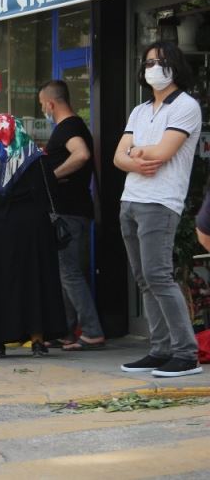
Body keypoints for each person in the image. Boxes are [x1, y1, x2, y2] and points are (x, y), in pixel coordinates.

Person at [114, 41, 203, 378]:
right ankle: (160, 349)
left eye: (161, 61)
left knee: (158, 276)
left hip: (161, 201)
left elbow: (164, 152)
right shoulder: (139, 111)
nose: (154, 67)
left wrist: (134, 153)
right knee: (144, 279)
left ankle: (185, 353)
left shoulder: (186, 106)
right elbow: (117, 156)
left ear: (175, 66)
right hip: (131, 199)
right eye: (149, 62)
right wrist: (137, 156)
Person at [0, 113, 67, 357]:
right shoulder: (36, 157)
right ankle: (38, 340)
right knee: (34, 281)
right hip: (33, 229)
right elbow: (51, 192)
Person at [39, 80, 106, 351]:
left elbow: (81, 154)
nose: (43, 109)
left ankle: (91, 331)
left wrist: (52, 176)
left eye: (42, 104)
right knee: (65, 273)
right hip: (70, 211)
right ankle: (66, 331)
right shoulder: (71, 127)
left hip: (69, 212)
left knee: (69, 273)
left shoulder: (69, 127)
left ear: (50, 103)